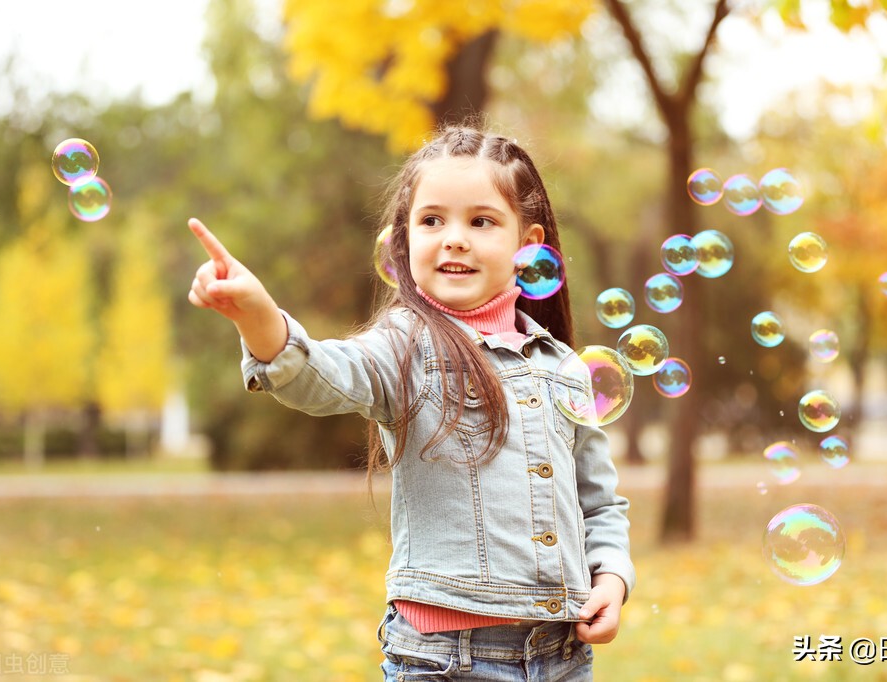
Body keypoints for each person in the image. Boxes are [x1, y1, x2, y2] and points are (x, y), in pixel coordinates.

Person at [187, 126, 634, 680]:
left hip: (562, 656)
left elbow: (600, 504)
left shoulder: (563, 367)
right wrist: (258, 316)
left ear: (529, 244)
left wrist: (611, 578)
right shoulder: (403, 347)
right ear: (404, 239)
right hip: (446, 659)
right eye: (431, 220)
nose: (454, 238)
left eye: (482, 221)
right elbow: (323, 377)